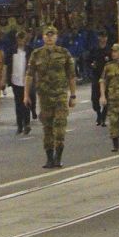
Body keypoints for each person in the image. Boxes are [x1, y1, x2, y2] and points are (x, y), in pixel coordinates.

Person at [26, 25, 76, 169]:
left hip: (60, 95)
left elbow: (71, 76)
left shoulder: (64, 53)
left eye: (52, 35)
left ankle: (58, 157)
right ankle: (49, 158)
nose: (49, 37)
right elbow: (29, 75)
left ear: (56, 37)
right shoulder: (36, 54)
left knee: (59, 128)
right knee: (47, 128)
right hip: (45, 97)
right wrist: (26, 95)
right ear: (43, 37)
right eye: (47, 35)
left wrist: (73, 95)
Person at [8, 37, 31, 136]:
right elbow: (7, 65)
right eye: (19, 39)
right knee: (18, 103)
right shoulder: (12, 50)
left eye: (23, 39)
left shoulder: (30, 50)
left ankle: (27, 123)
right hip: (16, 80)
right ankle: (19, 125)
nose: (21, 41)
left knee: (26, 102)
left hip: (27, 80)